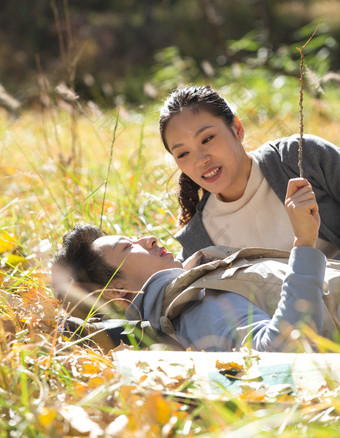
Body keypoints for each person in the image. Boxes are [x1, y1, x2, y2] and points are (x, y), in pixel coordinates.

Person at [52, 178, 340, 352]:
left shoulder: (198, 279)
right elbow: (282, 352)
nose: (148, 239)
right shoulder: (192, 306)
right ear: (119, 292)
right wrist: (304, 242)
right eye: (128, 247)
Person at [158, 85, 340, 261]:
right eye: (183, 154)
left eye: (207, 139)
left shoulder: (299, 157)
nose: (200, 160)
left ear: (237, 129)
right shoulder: (200, 243)